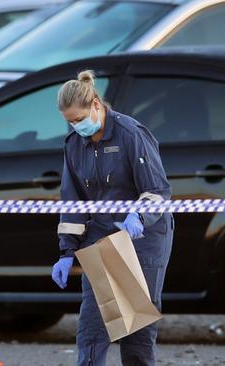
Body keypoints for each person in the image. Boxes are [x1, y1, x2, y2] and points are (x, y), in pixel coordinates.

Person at [50, 70, 174, 365]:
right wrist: (67, 251)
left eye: (80, 119)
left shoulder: (131, 134)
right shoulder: (73, 145)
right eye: (70, 121)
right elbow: (73, 201)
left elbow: (157, 190)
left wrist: (139, 217)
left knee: (135, 328)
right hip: (102, 236)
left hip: (141, 238)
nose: (76, 126)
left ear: (96, 105)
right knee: (93, 326)